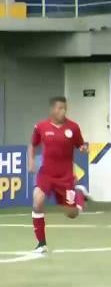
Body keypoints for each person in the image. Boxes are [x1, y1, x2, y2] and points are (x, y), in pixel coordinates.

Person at [28, 97, 89, 255]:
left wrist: (83, 148)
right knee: (37, 201)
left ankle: (79, 195)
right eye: (60, 108)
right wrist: (31, 160)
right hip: (46, 174)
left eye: (65, 109)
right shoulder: (41, 126)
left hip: (65, 177)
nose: (63, 111)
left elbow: (81, 144)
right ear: (53, 109)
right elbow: (32, 144)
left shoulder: (73, 128)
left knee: (71, 214)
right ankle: (41, 243)